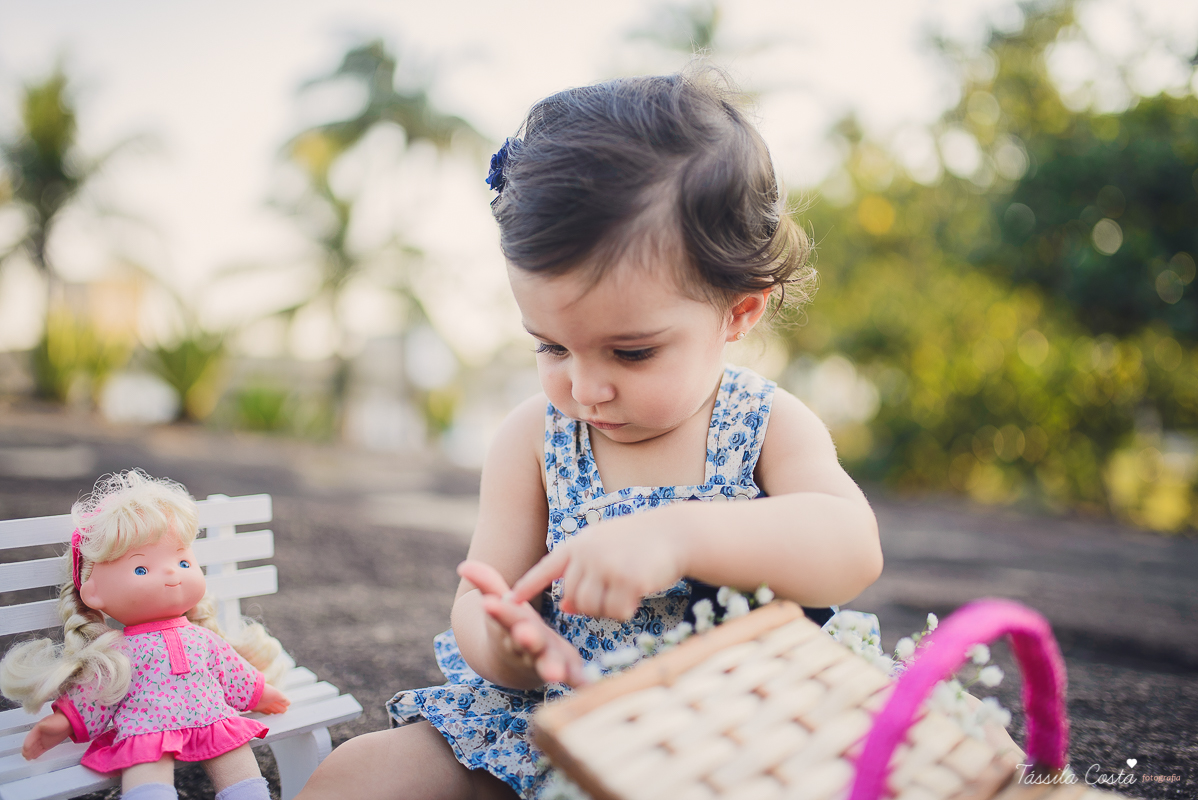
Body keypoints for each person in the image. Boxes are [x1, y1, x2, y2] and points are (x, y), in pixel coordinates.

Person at [297, 67, 883, 800]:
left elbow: (850, 548)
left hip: (738, 729)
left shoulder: (763, 424)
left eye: (631, 352)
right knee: (357, 774)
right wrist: (509, 646)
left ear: (738, 312)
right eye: (551, 346)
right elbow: (483, 593)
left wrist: (680, 534)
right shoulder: (534, 440)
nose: (585, 387)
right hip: (565, 716)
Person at [1, 469, 292, 800]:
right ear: (93, 592)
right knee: (147, 782)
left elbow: (233, 671)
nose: (171, 572)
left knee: (242, 773)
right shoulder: (120, 653)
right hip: (147, 730)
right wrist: (64, 723)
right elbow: (97, 691)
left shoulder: (202, 639)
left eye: (183, 562)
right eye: (141, 569)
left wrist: (261, 692)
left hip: (214, 720)